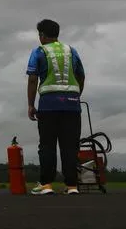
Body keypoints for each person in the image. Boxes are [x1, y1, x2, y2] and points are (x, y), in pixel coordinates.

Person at [27, 18, 86, 195]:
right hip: (72, 105)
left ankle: (46, 184)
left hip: (48, 106)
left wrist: (31, 104)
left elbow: (32, 78)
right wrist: (75, 95)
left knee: (47, 146)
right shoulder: (71, 51)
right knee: (70, 146)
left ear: (42, 35)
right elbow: (81, 76)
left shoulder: (39, 51)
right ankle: (72, 185)